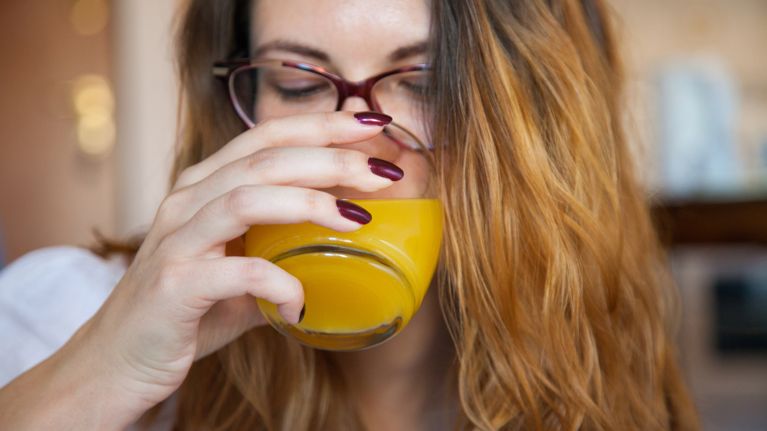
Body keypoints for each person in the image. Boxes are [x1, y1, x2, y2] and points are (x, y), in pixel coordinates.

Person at [0, 0, 700, 429]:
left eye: (423, 82)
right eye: (298, 83)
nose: (358, 136)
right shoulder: (64, 313)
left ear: (532, 118)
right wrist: (101, 373)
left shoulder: (591, 361)